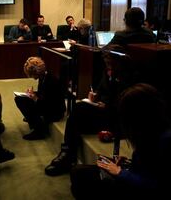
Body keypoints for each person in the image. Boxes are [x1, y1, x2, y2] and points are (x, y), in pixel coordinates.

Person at [70, 83, 171, 199]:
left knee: (82, 180)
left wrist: (120, 172)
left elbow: (159, 186)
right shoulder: (151, 130)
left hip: (137, 187)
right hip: (132, 177)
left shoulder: (169, 139)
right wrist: (126, 164)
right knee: (78, 172)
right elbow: (147, 165)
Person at [45, 46, 138, 176]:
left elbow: (125, 103)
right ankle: (67, 153)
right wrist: (95, 96)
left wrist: (106, 103)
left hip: (116, 117)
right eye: (106, 62)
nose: (107, 65)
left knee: (78, 110)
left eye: (109, 62)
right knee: (78, 114)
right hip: (103, 110)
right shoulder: (108, 71)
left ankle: (67, 154)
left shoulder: (129, 76)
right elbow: (100, 89)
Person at [15, 57, 66, 140]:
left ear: (36, 72)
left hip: (55, 111)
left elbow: (49, 103)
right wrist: (33, 93)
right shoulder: (44, 77)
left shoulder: (51, 80)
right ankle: (34, 121)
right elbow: (43, 93)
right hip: (48, 105)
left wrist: (35, 98)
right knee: (20, 99)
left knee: (21, 101)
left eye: (31, 74)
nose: (31, 76)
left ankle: (39, 131)